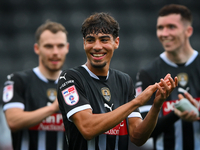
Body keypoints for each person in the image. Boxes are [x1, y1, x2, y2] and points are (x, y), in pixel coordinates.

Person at [57, 12, 178, 150]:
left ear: (116, 42)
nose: (97, 46)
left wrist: (156, 106)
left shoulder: (124, 81)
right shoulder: (70, 78)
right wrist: (137, 101)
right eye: (90, 40)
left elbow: (137, 137)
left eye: (104, 40)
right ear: (84, 43)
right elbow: (87, 128)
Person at [135, 4, 200, 150]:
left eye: (171, 27)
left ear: (188, 31)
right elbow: (143, 132)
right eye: (160, 28)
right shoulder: (149, 72)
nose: (164, 33)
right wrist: (176, 114)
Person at [2, 21, 69, 150]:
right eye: (49, 46)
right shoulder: (18, 80)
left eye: (60, 46)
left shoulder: (75, 84)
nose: (55, 52)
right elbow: (13, 121)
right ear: (37, 48)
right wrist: (53, 108)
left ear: (67, 48)